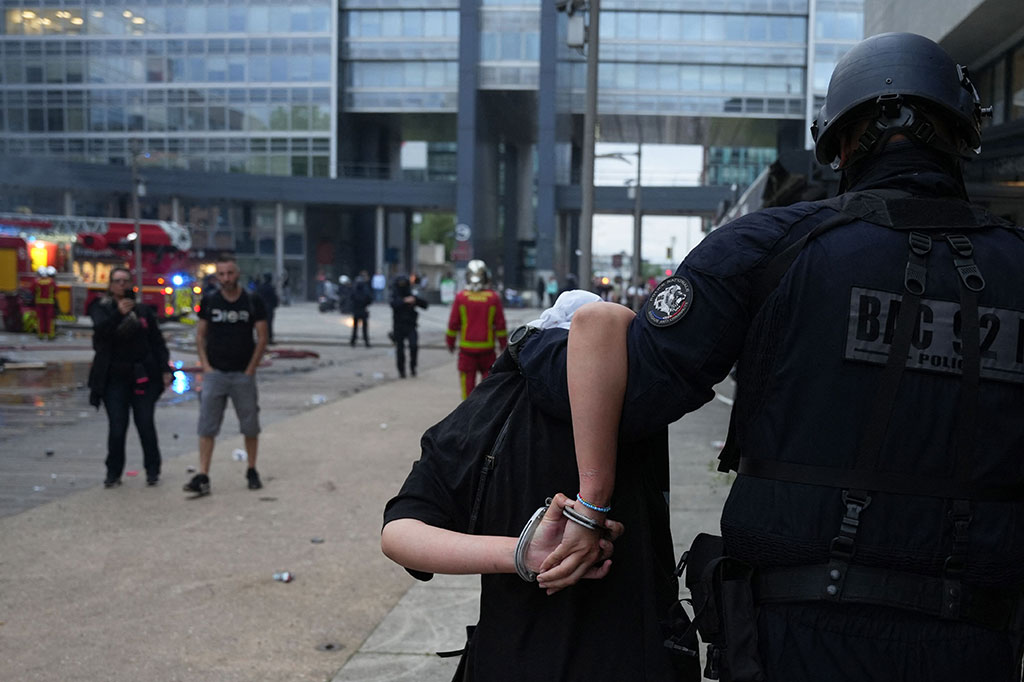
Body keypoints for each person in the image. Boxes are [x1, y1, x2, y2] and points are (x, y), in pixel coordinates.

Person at [523, 33, 1024, 681]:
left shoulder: (769, 247)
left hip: (791, 640)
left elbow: (635, 390)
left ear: (840, 143)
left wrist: (535, 344)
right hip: (978, 643)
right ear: (960, 135)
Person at [382, 291, 696, 681]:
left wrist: (522, 553)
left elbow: (399, 533)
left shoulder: (482, 413)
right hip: (631, 655)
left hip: (511, 655)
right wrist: (590, 506)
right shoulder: (633, 402)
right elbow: (602, 321)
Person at [185, 256, 269, 496]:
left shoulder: (252, 301)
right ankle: (203, 474)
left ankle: (251, 469)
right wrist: (206, 366)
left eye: (230, 273)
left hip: (243, 373)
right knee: (207, 426)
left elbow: (262, 337)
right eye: (221, 274)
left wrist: (251, 368)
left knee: (250, 425)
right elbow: (200, 335)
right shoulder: (210, 300)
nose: (226, 278)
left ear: (237, 274)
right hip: (216, 373)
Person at [87, 267, 173, 488]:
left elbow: (156, 342)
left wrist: (165, 369)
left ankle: (152, 470)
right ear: (110, 285)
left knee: (145, 423)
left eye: (125, 281)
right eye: (117, 281)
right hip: (114, 378)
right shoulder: (101, 308)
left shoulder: (142, 311)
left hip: (142, 376)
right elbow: (101, 334)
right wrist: (118, 314)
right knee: (117, 426)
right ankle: (113, 472)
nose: (122, 285)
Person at [446, 259, 508, 399]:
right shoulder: (493, 298)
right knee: (488, 388)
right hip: (487, 350)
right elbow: (500, 325)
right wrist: (503, 345)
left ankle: (468, 411)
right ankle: (485, 411)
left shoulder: (461, 297)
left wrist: (450, 343)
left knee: (467, 389)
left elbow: (453, 324)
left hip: (466, 351)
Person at [390, 274, 427, 378]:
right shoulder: (395, 295)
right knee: (400, 350)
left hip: (411, 326)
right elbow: (393, 304)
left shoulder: (411, 293)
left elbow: (425, 304)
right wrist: (404, 301)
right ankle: (401, 371)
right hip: (399, 326)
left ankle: (413, 367)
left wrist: (415, 300)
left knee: (414, 346)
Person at [34, 266, 57, 340]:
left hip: (39, 304)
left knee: (40, 319)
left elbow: (32, 290)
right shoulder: (51, 282)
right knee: (49, 319)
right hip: (49, 304)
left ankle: (41, 335)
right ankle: (50, 335)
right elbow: (56, 290)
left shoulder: (37, 282)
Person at [350, 272, 372, 347]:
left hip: (357, 310)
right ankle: (366, 342)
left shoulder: (355, 289)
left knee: (355, 327)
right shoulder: (365, 290)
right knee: (364, 328)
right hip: (363, 309)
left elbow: (351, 298)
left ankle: (353, 341)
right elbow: (369, 299)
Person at [256, 272, 279, 344]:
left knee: (261, 324)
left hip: (261, 308)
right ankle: (269, 339)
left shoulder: (260, 287)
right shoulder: (271, 288)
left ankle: (261, 338)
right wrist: (275, 305)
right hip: (269, 308)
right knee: (269, 324)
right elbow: (274, 298)